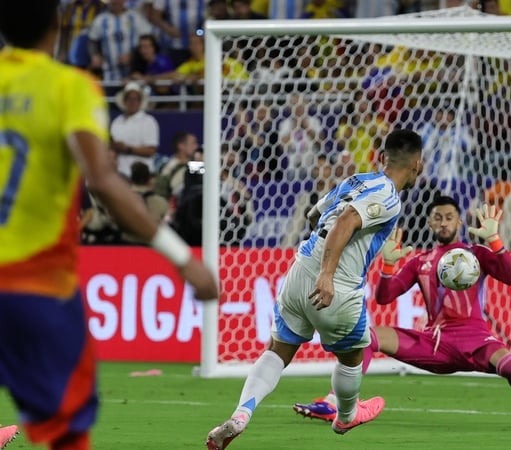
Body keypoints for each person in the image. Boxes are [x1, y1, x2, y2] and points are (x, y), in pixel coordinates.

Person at [0, 2, 219, 450]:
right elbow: (102, 180)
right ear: (57, 28)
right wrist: (182, 258)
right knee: (68, 429)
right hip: (37, 284)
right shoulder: (68, 86)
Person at [205, 129, 424, 449]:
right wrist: (327, 273)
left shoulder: (356, 180)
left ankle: (241, 414)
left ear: (380, 157)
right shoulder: (389, 196)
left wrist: (321, 260)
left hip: (298, 272)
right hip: (336, 285)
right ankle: (347, 414)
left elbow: (314, 215)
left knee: (277, 351)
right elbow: (347, 220)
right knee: (353, 357)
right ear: (417, 164)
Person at [293, 195, 511, 426]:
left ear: (459, 222)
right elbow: (385, 297)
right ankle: (334, 402)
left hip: (477, 340)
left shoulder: (475, 253)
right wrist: (387, 267)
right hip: (436, 343)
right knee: (366, 337)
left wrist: (495, 241)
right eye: (437, 218)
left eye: (449, 217)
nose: (443, 222)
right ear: (430, 223)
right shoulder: (421, 262)